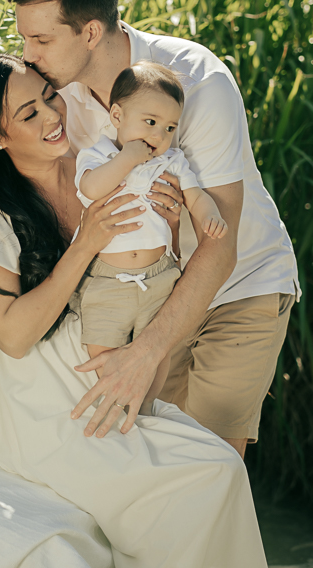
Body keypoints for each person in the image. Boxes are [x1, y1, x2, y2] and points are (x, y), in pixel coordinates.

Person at [0, 53, 270, 568]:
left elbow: (139, 269)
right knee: (205, 477)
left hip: (102, 356)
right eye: (29, 114)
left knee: (219, 469)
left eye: (47, 96)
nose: (51, 115)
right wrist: (84, 244)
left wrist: (170, 230)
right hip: (36, 396)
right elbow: (13, 337)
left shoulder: (99, 160)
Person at [7, 0, 301, 454]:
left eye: (41, 39)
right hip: (150, 294)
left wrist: (146, 352)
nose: (29, 54)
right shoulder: (64, 100)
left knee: (211, 464)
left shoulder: (196, 80)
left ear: (91, 32)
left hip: (239, 285)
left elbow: (221, 242)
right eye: (24, 40)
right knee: (151, 460)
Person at [73, 60, 227, 413]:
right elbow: (91, 189)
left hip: (159, 277)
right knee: (103, 349)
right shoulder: (97, 156)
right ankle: (114, 408)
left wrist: (210, 216)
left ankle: (145, 409)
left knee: (156, 356)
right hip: (108, 281)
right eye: (150, 122)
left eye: (170, 127)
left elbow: (195, 195)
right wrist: (126, 159)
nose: (159, 136)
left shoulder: (171, 160)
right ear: (116, 115)